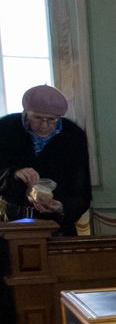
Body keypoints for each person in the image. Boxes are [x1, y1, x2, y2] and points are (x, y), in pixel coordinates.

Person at [0, 84, 91, 235]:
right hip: (11, 222)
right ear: (25, 113)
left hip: (56, 224)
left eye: (52, 119)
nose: (44, 125)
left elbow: (81, 188)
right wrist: (13, 173)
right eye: (37, 118)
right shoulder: (5, 128)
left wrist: (63, 207)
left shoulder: (73, 135)